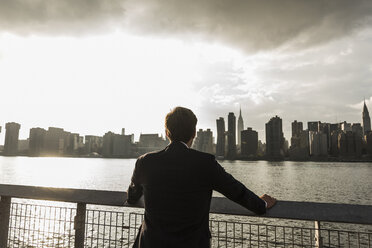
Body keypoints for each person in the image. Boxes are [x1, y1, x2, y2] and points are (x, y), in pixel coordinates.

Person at [127, 106, 276, 248]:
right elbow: (235, 191)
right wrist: (261, 205)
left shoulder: (145, 162)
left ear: (167, 132)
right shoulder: (205, 163)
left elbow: (132, 196)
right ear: (194, 133)